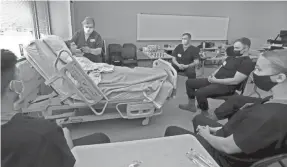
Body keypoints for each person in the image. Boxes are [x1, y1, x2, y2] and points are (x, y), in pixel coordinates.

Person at [164, 49, 287, 167]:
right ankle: (199, 143)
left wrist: (207, 135)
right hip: (238, 138)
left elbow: (227, 147)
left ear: (280, 78)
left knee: (172, 130)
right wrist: (217, 129)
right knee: (198, 119)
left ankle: (199, 150)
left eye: (258, 69)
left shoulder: (268, 116)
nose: (253, 73)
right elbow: (251, 131)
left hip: (226, 159)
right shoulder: (275, 101)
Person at [1, 49, 110, 167]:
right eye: (18, 75)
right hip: (46, 151)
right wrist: (64, 132)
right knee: (101, 138)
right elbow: (67, 158)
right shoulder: (43, 132)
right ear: (14, 86)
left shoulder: (37, 129)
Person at [179, 37, 254, 112]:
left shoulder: (247, 63)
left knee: (200, 92)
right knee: (189, 83)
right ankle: (191, 105)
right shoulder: (231, 58)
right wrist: (212, 75)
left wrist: (216, 80)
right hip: (215, 80)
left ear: (246, 48)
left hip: (227, 86)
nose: (234, 50)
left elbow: (235, 81)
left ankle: (204, 112)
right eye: (234, 47)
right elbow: (221, 67)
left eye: (237, 48)